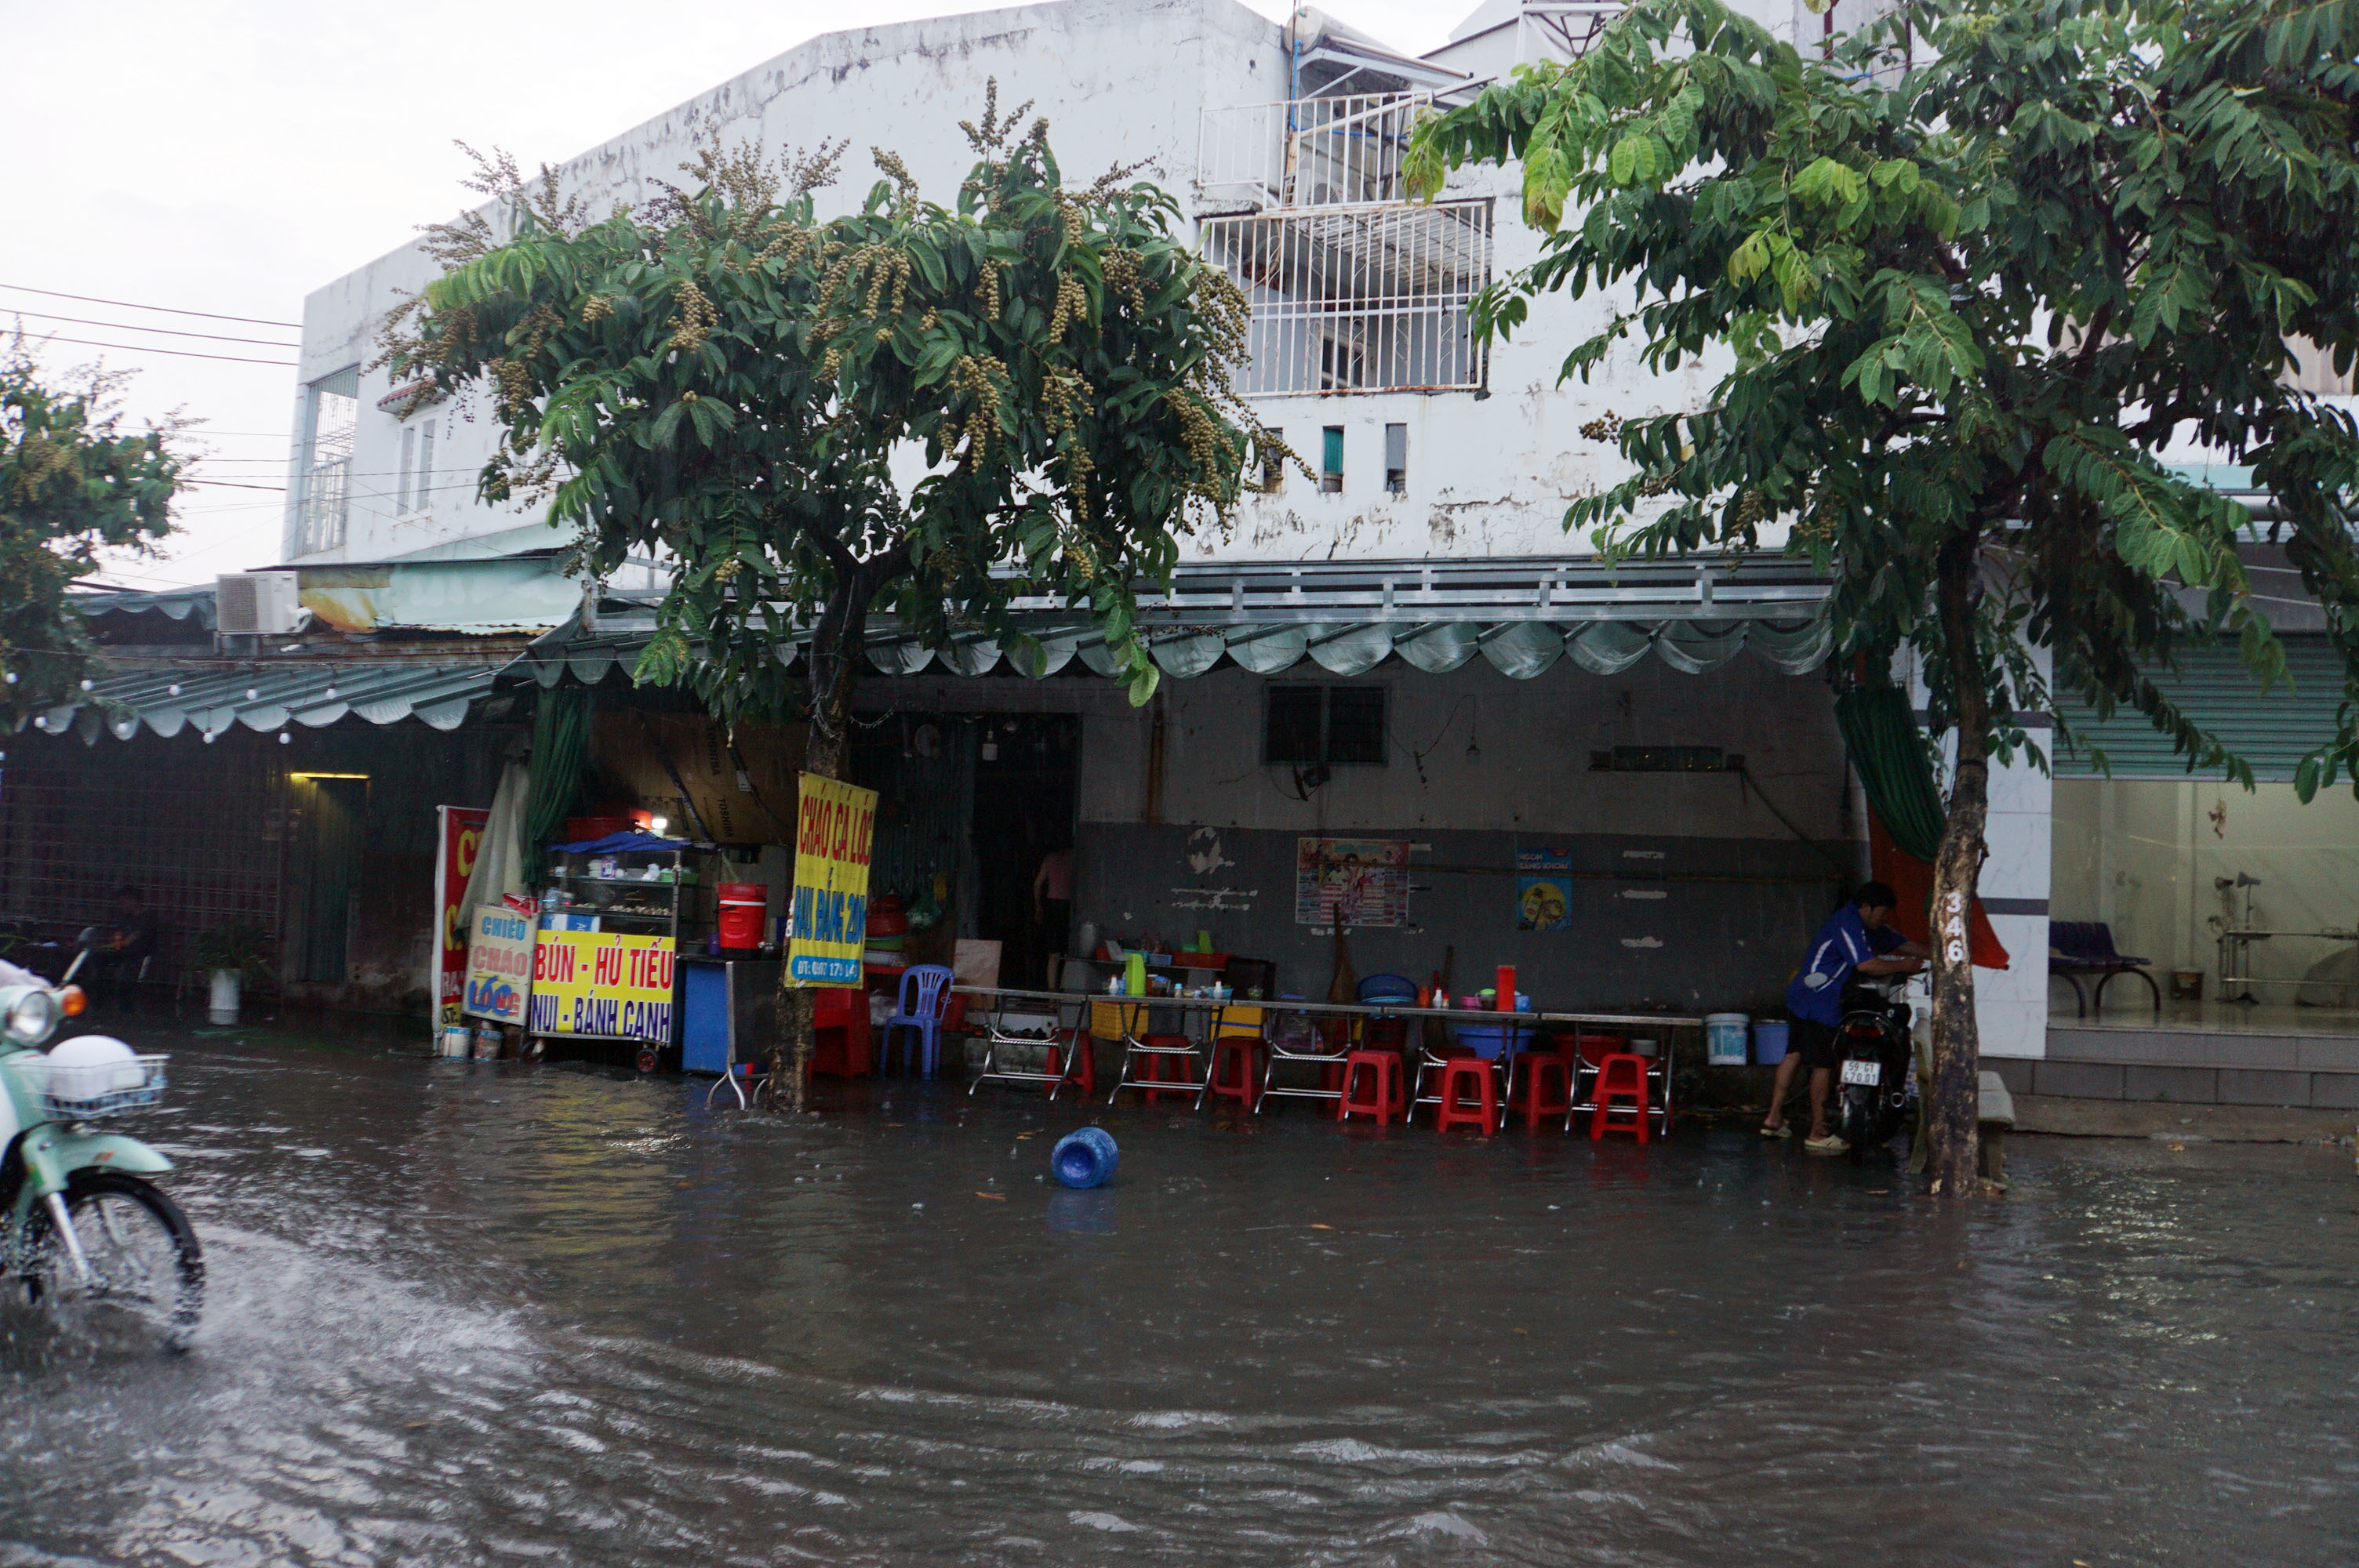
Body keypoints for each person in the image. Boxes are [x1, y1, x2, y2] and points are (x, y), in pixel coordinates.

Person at [1763, 881, 1927, 1153]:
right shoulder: (1847, 921)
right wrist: (1903, 966)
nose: (1884, 918)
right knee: (1823, 1064)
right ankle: (1818, 1133)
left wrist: (1940, 955)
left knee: (1794, 1054)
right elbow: (1866, 965)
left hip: (1803, 993)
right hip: (1820, 997)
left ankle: (1773, 1119)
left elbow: (1902, 943)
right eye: (1882, 912)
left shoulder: (1867, 927)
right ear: (1867, 907)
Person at [84, 885, 159, 1008]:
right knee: (96, 958)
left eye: (123, 902)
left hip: (138, 953)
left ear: (134, 901)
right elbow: (119, 939)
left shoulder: (147, 918)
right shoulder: (125, 918)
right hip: (122, 952)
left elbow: (128, 942)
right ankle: (97, 996)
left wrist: (102, 947)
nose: (121, 906)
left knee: (100, 956)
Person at [1031, 846, 1073, 982]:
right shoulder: (1074, 858)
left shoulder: (1050, 858)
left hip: (1052, 907)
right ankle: (1063, 991)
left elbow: (1037, 884)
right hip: (1069, 907)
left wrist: (1039, 908)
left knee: (1053, 954)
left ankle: (1052, 998)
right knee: (1068, 952)